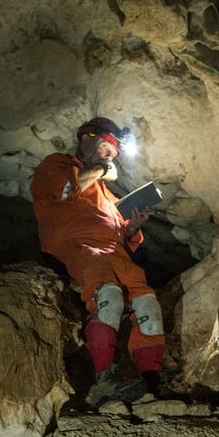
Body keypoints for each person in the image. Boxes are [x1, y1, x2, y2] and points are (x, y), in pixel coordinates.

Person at [30, 116, 165, 406]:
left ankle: (153, 381)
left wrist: (132, 227)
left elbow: (120, 235)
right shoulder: (56, 165)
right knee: (109, 295)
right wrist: (101, 169)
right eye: (107, 149)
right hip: (77, 246)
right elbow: (66, 190)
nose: (110, 158)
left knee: (147, 304)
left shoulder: (104, 193)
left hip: (113, 253)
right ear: (87, 138)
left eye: (114, 155)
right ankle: (104, 380)